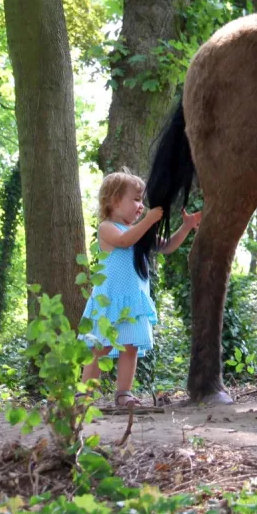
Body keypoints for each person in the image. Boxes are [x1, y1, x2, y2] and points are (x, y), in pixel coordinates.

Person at [80, 169, 200, 408]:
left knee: (130, 347)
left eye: (142, 201)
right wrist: (148, 221)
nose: (141, 206)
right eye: (135, 199)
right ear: (114, 201)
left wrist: (185, 227)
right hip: (110, 299)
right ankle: (85, 395)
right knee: (100, 346)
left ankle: (123, 393)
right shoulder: (107, 228)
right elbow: (125, 241)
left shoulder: (141, 231)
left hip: (133, 300)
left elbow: (166, 247)